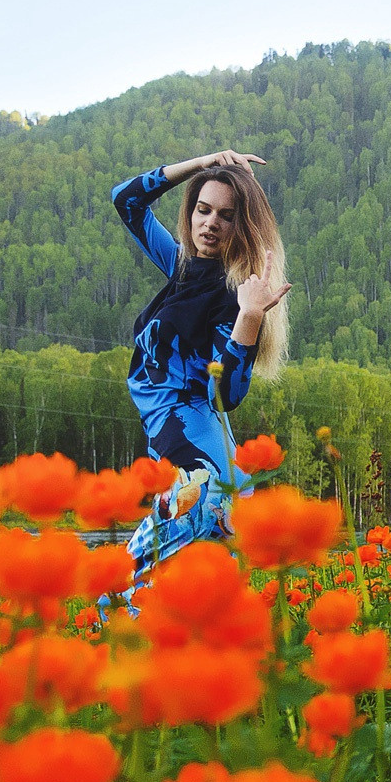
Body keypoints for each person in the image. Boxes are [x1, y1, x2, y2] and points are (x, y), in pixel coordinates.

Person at [112, 150, 292, 570]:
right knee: (188, 614)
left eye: (226, 216)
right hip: (182, 463)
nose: (210, 222)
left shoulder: (235, 294)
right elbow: (126, 200)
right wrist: (204, 165)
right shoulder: (182, 266)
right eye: (202, 209)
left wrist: (249, 317)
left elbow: (225, 395)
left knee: (119, 595)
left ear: (241, 228)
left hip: (201, 477)